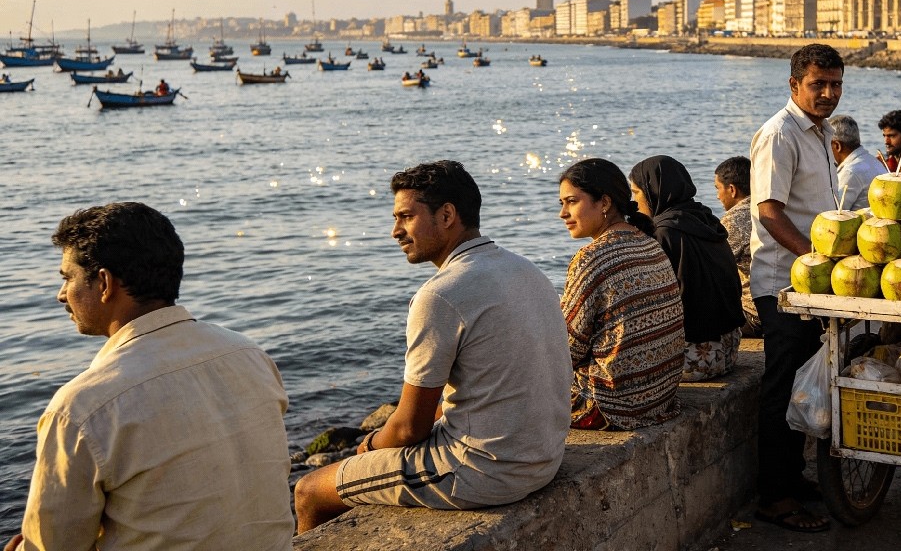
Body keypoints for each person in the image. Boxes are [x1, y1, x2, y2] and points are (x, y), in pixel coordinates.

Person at [294, 161, 571, 532]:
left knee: (309, 490)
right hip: (543, 457)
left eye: (406, 216)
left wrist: (370, 445)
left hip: (485, 471)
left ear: (446, 215)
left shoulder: (440, 295)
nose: (395, 231)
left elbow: (410, 428)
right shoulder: (524, 269)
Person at [8, 202, 292, 551]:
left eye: (68, 278)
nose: (61, 294)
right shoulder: (249, 355)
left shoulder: (82, 407)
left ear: (104, 283)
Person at [749, 44, 844, 533]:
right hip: (784, 282)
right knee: (782, 387)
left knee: (804, 386)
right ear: (794, 86)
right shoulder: (779, 134)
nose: (828, 93)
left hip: (813, 282)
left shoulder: (821, 132)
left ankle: (794, 476)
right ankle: (775, 497)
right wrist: (815, 256)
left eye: (835, 85)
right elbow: (770, 212)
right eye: (817, 85)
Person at [558, 158, 685, 430]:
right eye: (562, 204)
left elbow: (565, 351)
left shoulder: (591, 258)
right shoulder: (650, 243)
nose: (563, 213)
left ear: (604, 203)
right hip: (660, 396)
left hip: (613, 405)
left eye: (572, 201)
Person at [629, 155, 745, 382]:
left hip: (697, 358)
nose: (634, 202)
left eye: (636, 193)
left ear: (654, 191)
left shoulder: (665, 232)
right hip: (729, 349)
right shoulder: (705, 218)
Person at [714, 156, 759, 336]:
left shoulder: (732, 220)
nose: (717, 196)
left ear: (732, 189)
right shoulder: (769, 209)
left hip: (753, 315)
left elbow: (713, 270)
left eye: (718, 189)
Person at [829, 114, 885, 209]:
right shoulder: (872, 161)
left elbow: (835, 213)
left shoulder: (850, 172)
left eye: (826, 145)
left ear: (837, 146)